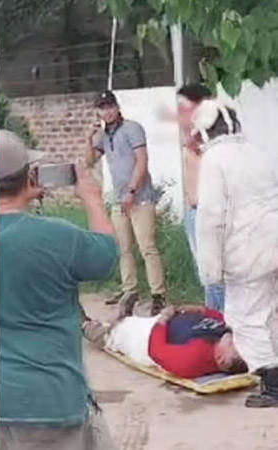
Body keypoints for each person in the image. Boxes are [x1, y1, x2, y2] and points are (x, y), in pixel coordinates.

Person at [0, 129, 119, 449]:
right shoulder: (57, 237)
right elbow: (107, 255)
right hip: (48, 401)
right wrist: (92, 199)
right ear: (29, 179)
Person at [188, 99, 278, 407]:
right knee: (272, 312)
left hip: (247, 253)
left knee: (245, 317)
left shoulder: (215, 160)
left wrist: (209, 270)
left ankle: (273, 385)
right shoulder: (256, 151)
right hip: (273, 245)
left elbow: (211, 218)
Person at [86, 90, 166, 315]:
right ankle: (130, 290)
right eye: (102, 107)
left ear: (117, 106)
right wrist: (88, 137)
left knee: (147, 247)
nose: (107, 111)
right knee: (124, 249)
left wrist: (132, 191)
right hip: (119, 199)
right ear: (98, 111)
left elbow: (142, 160)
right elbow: (89, 160)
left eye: (110, 106)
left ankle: (158, 294)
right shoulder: (102, 135)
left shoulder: (132, 128)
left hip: (140, 198)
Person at [168, 84, 226, 311]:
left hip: (209, 211)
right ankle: (215, 317)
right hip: (194, 210)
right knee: (207, 277)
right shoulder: (190, 130)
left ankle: (220, 323)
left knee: (216, 277)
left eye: (187, 106)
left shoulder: (213, 131)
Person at [83, 304, 247, 379]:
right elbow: (221, 317)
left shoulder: (194, 358)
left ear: (221, 360)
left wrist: (163, 319)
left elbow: (156, 350)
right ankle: (122, 317)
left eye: (232, 346)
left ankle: (86, 327)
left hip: (145, 338)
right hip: (164, 323)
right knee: (130, 320)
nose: (234, 340)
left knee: (114, 333)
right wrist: (198, 309)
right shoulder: (223, 335)